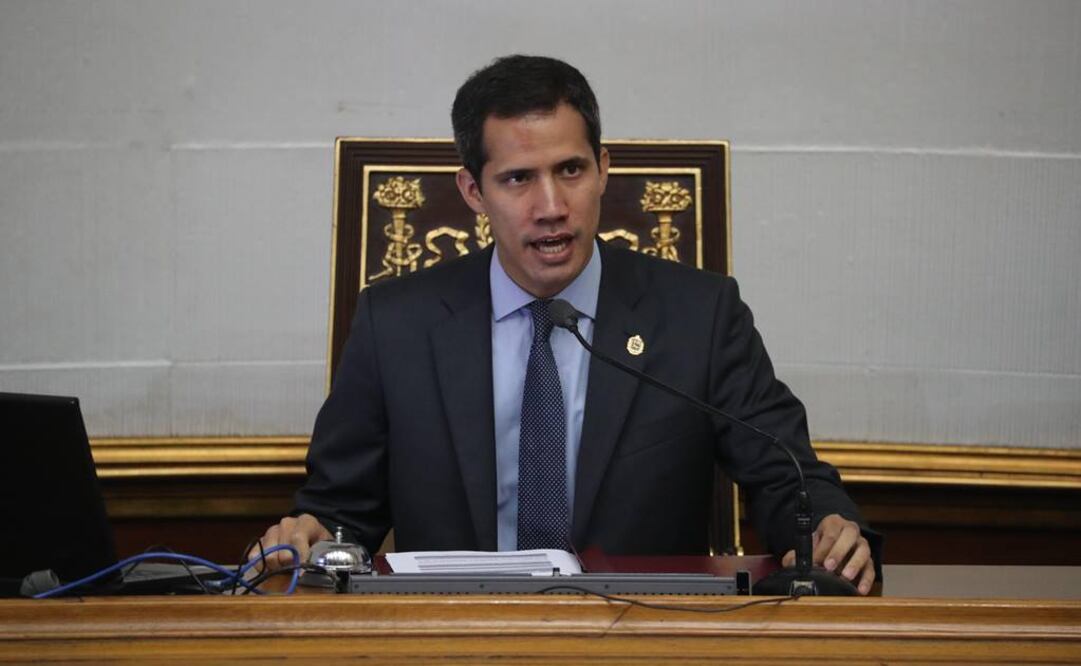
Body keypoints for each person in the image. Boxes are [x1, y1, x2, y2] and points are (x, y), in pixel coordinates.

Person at [256, 55, 879, 594]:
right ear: (473, 192)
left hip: (644, 637)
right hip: (453, 636)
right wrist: (312, 536)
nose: (551, 207)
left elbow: (788, 478)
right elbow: (340, 514)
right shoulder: (396, 325)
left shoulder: (700, 316)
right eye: (518, 179)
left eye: (571, 171)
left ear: (604, 168)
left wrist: (824, 526)